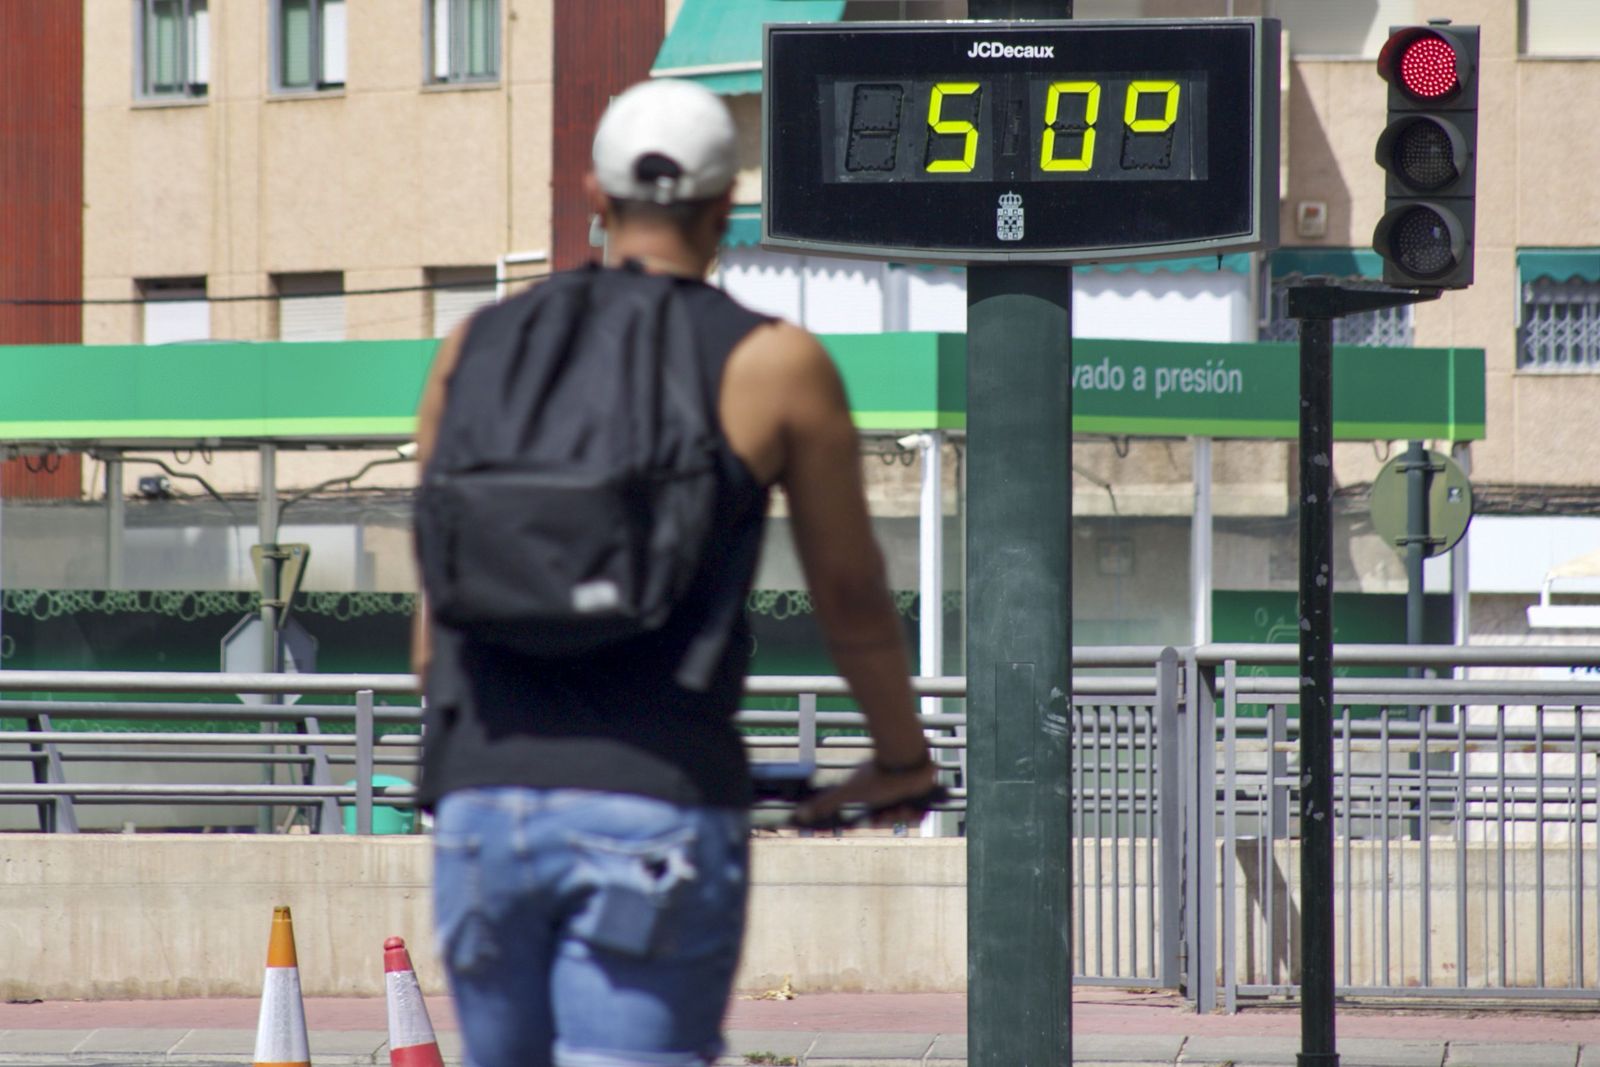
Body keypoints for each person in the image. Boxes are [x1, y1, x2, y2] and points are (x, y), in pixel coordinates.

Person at [410, 78, 938, 1067]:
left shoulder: (471, 348)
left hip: (482, 801)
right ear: (724, 207)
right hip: (655, 798)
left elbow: (434, 601)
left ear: (595, 198)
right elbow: (852, 595)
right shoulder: (774, 364)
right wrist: (899, 759)